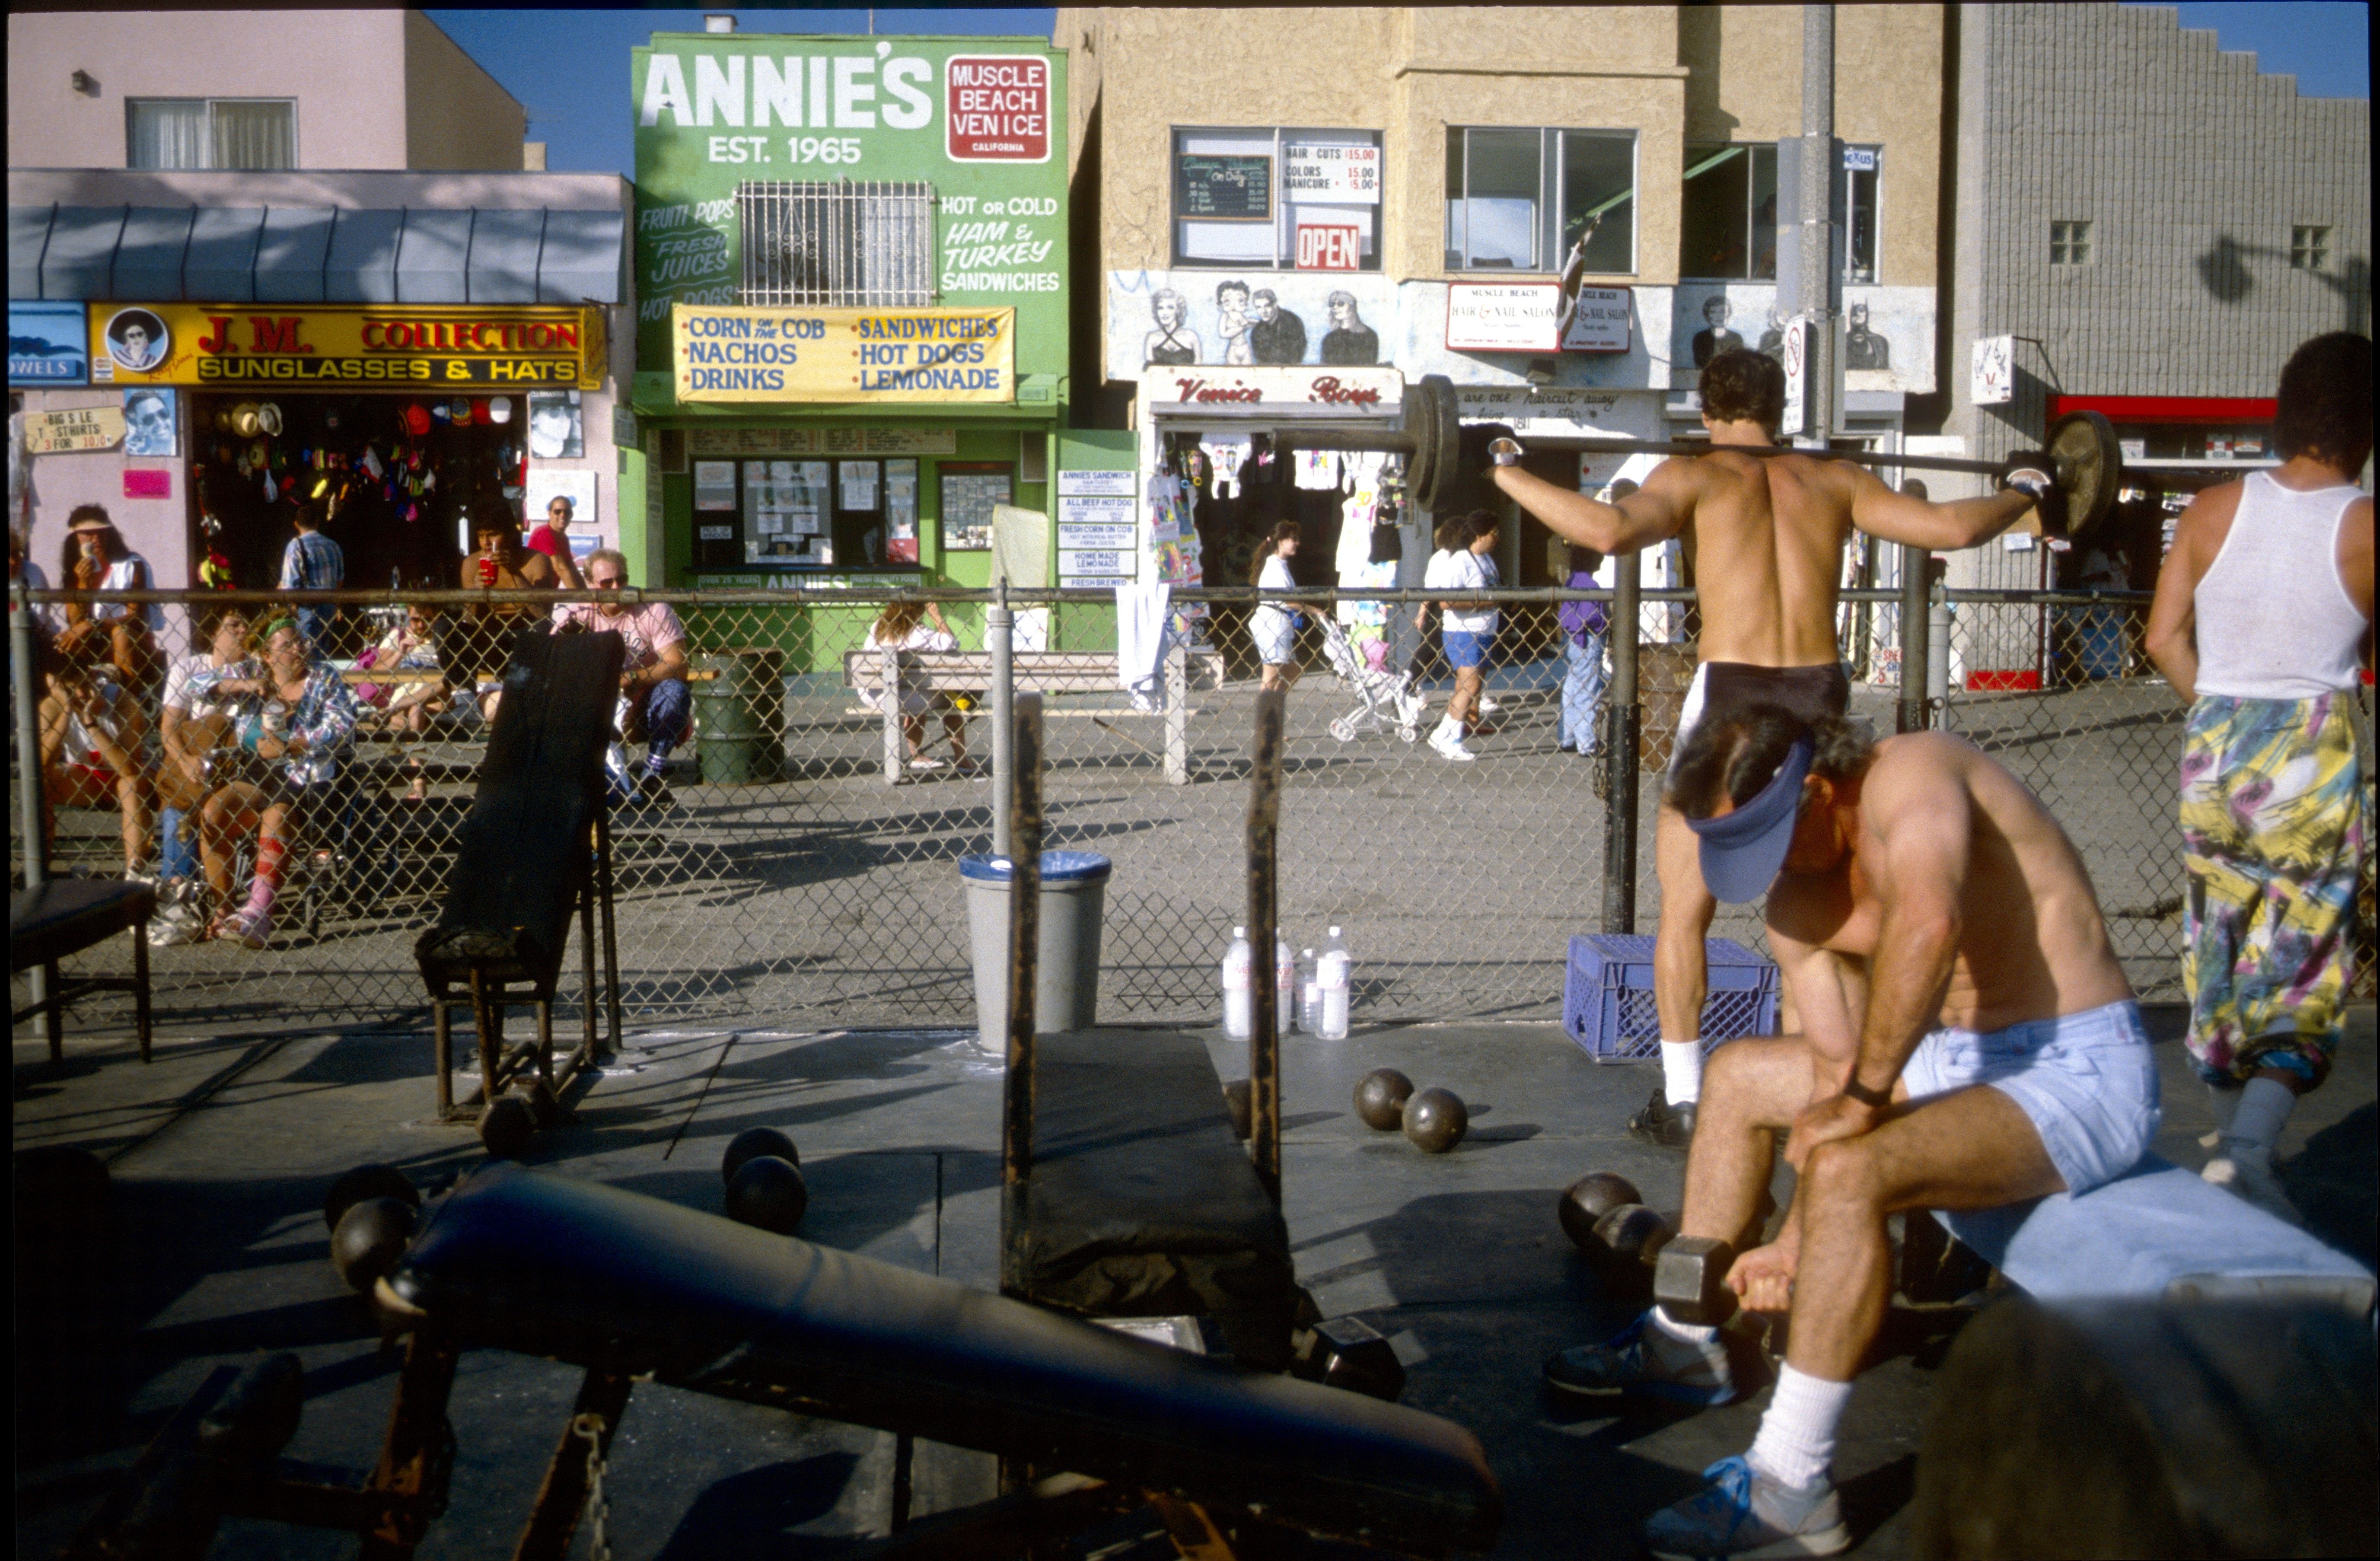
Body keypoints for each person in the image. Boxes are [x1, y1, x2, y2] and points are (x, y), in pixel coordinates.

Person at [1544, 705, 2153, 1559]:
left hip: (2071, 1072)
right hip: (1941, 1062)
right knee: (1739, 1076)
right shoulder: (1799, 904)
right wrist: (1793, 1242)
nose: (1766, 875)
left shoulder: (1918, 775)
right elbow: (1835, 1089)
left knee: (1853, 1167)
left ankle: (1791, 1483)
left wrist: (1861, 1109)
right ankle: (1686, 1343)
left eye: (1772, 842)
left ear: (1819, 791)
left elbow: (1927, 926)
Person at [1489, 349, 2046, 1149]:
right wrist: (2025, 490)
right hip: (1821, 699)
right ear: (1780, 407)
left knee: (1685, 906)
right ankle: (1838, 1079)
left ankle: (1683, 1098)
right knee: (1824, 903)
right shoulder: (1836, 478)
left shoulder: (1698, 477)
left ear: (1706, 410)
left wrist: (1504, 468)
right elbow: (1951, 527)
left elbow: (1607, 532)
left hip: (1733, 699)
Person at [2143, 330, 2373, 1225]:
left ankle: (2223, 1137)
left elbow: (2161, 637)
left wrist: (2222, 716)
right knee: (2303, 959)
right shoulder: (2360, 524)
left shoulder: (2207, 508)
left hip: (2214, 745)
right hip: (2307, 751)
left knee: (2218, 947)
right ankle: (2245, 1153)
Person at [193, 617, 359, 948]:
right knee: (214, 811)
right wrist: (244, 687)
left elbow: (342, 723)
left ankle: (258, 914)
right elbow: (196, 686)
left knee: (276, 814)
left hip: (307, 776)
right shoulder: (254, 675)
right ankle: (224, 910)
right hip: (257, 772)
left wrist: (294, 744)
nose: (298, 649)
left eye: (300, 642)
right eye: (287, 645)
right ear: (267, 655)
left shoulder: (323, 676)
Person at [150, 607, 259, 943]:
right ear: (214, 632)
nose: (242, 632)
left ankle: (178, 890)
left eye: (247, 626)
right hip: (196, 762)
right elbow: (168, 728)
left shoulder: (259, 668)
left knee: (216, 727)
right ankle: (177, 893)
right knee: (184, 786)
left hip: (240, 764)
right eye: (233, 625)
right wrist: (185, 760)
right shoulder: (190, 667)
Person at [551, 549, 691, 795]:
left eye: (622, 579)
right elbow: (554, 661)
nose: (617, 587)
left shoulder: (653, 607)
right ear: (591, 584)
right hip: (598, 697)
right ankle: (604, 781)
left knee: (675, 692)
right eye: (607, 583)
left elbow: (678, 664)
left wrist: (631, 677)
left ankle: (652, 773)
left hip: (645, 695)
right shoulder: (578, 609)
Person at [37, 640, 154, 882]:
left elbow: (129, 768)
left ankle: (135, 872)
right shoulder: (52, 707)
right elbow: (42, 763)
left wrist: (90, 723)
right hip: (87, 776)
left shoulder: (122, 701)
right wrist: (68, 711)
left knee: (129, 785)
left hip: (136, 776)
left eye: (82, 685)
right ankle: (40, 868)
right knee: (41, 782)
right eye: (70, 691)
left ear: (92, 676)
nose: (80, 695)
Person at [456, 507, 555, 722]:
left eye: (492, 535)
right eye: (481, 536)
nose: (486, 542)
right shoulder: (473, 563)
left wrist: (515, 574)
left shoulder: (536, 560)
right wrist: (476, 591)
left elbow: (543, 614)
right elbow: (468, 620)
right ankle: (464, 696)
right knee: (446, 629)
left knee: (543, 629)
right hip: (489, 639)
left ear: (510, 534)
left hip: (525, 636)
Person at [1420, 510, 1501, 762]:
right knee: (1470, 685)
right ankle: (1450, 738)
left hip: (1484, 630)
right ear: (1479, 535)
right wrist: (1481, 605)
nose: (1496, 538)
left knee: (1469, 685)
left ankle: (1445, 732)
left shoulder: (1486, 559)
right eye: (1493, 533)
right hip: (1463, 632)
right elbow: (1446, 601)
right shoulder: (1460, 562)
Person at [861, 596, 972, 774]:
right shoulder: (917, 632)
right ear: (918, 611)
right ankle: (962, 759)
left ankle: (917, 755)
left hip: (872, 693)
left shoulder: (878, 627)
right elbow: (951, 643)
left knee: (915, 692)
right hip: (904, 697)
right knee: (949, 703)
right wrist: (936, 615)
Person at [57, 506, 162, 692]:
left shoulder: (131, 565)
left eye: (101, 533)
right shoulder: (74, 570)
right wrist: (83, 585)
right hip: (94, 644)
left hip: (132, 642)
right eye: (88, 534)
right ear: (75, 537)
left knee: (120, 633)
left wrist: (92, 625)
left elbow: (135, 616)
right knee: (61, 642)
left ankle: (130, 700)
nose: (95, 539)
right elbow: (75, 621)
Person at [353, 605, 449, 801]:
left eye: (427, 619)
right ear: (407, 616)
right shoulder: (398, 635)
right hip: (406, 700)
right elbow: (376, 675)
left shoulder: (444, 635)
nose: (421, 625)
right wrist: (400, 652)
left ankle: (419, 782)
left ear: (436, 617)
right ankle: (418, 780)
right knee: (414, 712)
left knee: (414, 711)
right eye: (416, 620)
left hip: (437, 698)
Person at [1555, 531, 1612, 758]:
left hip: (1572, 639)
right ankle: (1587, 742)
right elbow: (1591, 617)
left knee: (1572, 687)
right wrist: (1607, 620)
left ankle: (1568, 736)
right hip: (1588, 640)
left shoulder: (1573, 580)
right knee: (1588, 688)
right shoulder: (1590, 584)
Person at [278, 499, 345, 650]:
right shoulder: (333, 546)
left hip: (307, 609)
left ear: (296, 524)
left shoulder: (295, 546)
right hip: (329, 607)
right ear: (317, 523)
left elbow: (289, 585)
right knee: (323, 651)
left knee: (307, 653)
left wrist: (292, 608)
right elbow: (340, 579)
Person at [1248, 519, 1305, 694]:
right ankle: (1264, 717)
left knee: (1293, 671)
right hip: (1272, 625)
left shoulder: (1281, 565)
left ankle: (1274, 707)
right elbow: (1287, 601)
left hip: (1279, 625)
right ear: (1280, 540)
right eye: (1293, 538)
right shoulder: (1274, 566)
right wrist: (1313, 610)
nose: (1297, 543)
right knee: (1270, 677)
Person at [526, 494, 588, 589]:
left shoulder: (564, 538)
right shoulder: (543, 533)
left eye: (567, 512)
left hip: (546, 595)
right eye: (558, 512)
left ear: (571, 515)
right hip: (531, 595)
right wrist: (582, 598)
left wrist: (589, 597)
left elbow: (572, 570)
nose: (563, 515)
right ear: (550, 513)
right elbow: (561, 568)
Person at [1144, 288, 1201, 366]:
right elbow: (1150, 372)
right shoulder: (1152, 338)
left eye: (1170, 308)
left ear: (1178, 311)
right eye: (1160, 308)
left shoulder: (1191, 336)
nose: (1165, 313)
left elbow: (1199, 370)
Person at [1249, 288, 1307, 364]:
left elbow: (1297, 356)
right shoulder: (1257, 331)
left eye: (1267, 306)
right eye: (1259, 307)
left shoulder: (1293, 322)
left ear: (1275, 304)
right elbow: (1261, 362)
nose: (1263, 311)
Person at [1319, 291, 1378, 365]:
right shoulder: (1329, 339)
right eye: (1332, 304)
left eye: (1341, 304)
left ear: (1352, 307)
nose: (1335, 307)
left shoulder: (1370, 336)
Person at [1691, 296, 1744, 367]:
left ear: (1729, 314)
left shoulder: (1736, 339)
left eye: (1723, 312)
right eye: (1713, 312)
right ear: (1708, 315)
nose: (1718, 316)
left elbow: (1738, 364)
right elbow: (1700, 363)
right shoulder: (1700, 338)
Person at [1215, 280, 1255, 366]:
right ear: (1221, 304)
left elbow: (1249, 321)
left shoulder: (1240, 315)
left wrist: (1258, 323)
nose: (1233, 305)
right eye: (1227, 301)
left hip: (1245, 347)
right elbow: (1223, 334)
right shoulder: (1226, 316)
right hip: (1233, 349)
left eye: (1240, 301)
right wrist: (1242, 328)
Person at [1843, 301, 1891, 372]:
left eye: (1862, 312)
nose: (1858, 314)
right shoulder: (1842, 340)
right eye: (1856, 314)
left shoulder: (1879, 341)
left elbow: (1883, 369)